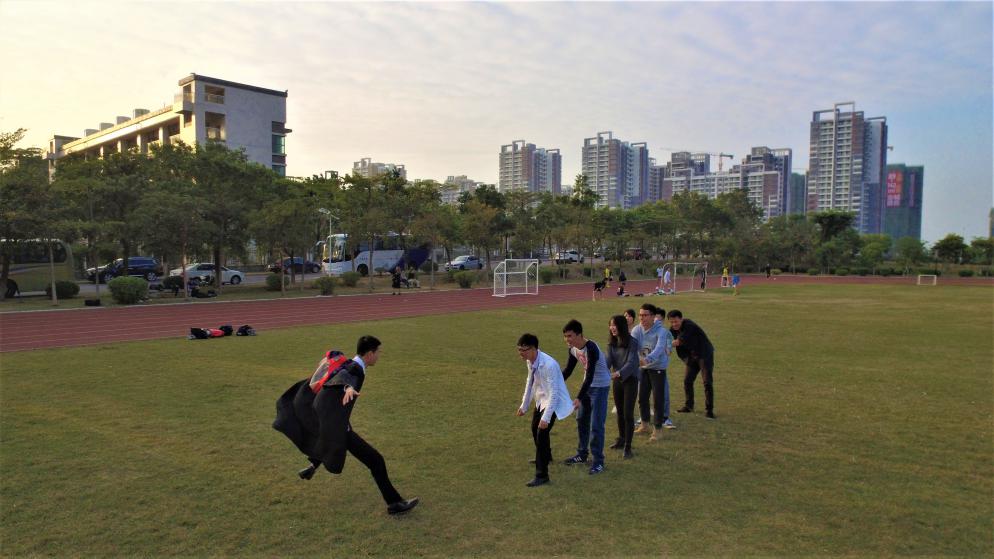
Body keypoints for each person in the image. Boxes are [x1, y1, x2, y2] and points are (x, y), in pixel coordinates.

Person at [273, 336, 419, 515]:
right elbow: (344, 376)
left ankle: (313, 465)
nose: (379, 356)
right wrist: (348, 386)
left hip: (336, 422)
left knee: (344, 445)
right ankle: (394, 504)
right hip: (340, 427)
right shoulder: (355, 368)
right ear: (369, 353)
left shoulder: (351, 363)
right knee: (376, 461)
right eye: (378, 352)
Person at [516, 333, 574, 487]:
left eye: (524, 350)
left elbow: (554, 394)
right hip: (542, 399)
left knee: (542, 432)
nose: (521, 354)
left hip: (554, 402)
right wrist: (524, 405)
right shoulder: (531, 361)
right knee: (534, 428)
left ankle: (542, 475)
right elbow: (530, 382)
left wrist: (546, 418)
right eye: (519, 350)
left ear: (534, 348)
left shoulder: (549, 365)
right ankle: (546, 455)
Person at [561, 319, 612, 475]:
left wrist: (578, 397)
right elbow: (568, 370)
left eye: (570, 336)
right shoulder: (573, 349)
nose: (567, 340)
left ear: (579, 334)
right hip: (588, 387)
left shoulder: (591, 348)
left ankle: (598, 462)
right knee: (581, 419)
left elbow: (590, 376)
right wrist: (555, 386)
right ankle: (582, 454)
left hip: (600, 387)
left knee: (596, 425)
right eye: (565, 336)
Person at [631, 304, 674, 440]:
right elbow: (633, 346)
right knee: (642, 397)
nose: (641, 318)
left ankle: (658, 429)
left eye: (645, 315)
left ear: (653, 316)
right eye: (640, 315)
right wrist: (638, 360)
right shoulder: (637, 330)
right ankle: (644, 425)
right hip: (643, 369)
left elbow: (660, 348)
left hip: (658, 368)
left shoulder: (661, 331)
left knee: (658, 399)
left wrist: (647, 359)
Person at [668, 310, 716, 419]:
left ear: (681, 319)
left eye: (676, 321)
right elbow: (667, 338)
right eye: (671, 322)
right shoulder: (672, 330)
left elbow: (678, 342)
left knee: (707, 382)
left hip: (704, 354)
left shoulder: (689, 325)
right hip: (692, 357)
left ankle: (709, 410)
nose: (674, 324)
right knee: (687, 381)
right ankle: (689, 406)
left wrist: (665, 345)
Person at [606, 315, 640, 459]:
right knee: (620, 412)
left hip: (630, 380)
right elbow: (608, 361)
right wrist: (599, 370)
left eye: (615, 325)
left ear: (621, 326)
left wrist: (618, 373)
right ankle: (621, 439)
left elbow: (632, 362)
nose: (612, 328)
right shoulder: (611, 344)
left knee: (627, 414)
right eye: (610, 325)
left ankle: (628, 446)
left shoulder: (632, 342)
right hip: (617, 381)